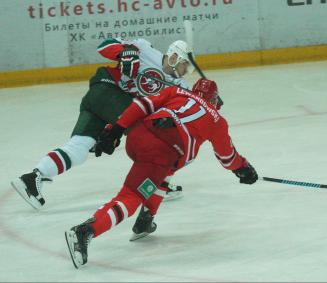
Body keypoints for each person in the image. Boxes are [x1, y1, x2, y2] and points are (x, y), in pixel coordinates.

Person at [64, 78, 258, 269]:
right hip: (161, 151)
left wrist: (116, 129)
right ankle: (86, 230)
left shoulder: (177, 92)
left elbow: (142, 105)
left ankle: (146, 220)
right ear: (214, 100)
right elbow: (227, 157)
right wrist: (244, 169)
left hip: (138, 136)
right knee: (131, 196)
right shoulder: (217, 120)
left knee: (164, 172)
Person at [11, 37, 194, 210]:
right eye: (185, 64)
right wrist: (124, 53)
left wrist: (207, 100)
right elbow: (104, 46)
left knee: (79, 148)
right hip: (107, 88)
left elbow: (187, 108)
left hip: (102, 102)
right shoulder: (144, 48)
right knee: (151, 139)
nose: (186, 70)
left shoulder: (181, 86)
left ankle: (33, 177)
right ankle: (155, 184)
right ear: (175, 56)